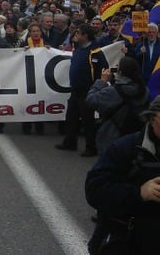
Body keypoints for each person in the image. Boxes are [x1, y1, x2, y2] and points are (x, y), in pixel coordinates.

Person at [84, 96, 160, 255]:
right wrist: (139, 193)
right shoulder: (126, 149)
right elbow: (94, 190)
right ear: (152, 118)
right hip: (130, 241)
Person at [56, 23, 109, 157]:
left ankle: (91, 147)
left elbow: (103, 71)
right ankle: (70, 142)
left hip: (87, 91)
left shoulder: (95, 53)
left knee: (87, 120)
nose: (76, 35)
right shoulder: (78, 49)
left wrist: (96, 89)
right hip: (76, 90)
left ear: (85, 36)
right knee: (71, 117)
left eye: (79, 33)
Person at [87, 56, 150, 155]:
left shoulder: (113, 91)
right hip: (136, 136)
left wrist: (102, 81)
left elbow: (91, 100)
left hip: (112, 136)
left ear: (120, 72)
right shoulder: (144, 90)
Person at [136, 23, 160, 89]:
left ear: (157, 33)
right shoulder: (141, 44)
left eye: (153, 32)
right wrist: (141, 53)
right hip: (144, 78)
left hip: (157, 77)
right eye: (149, 32)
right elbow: (135, 59)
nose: (151, 34)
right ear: (146, 33)